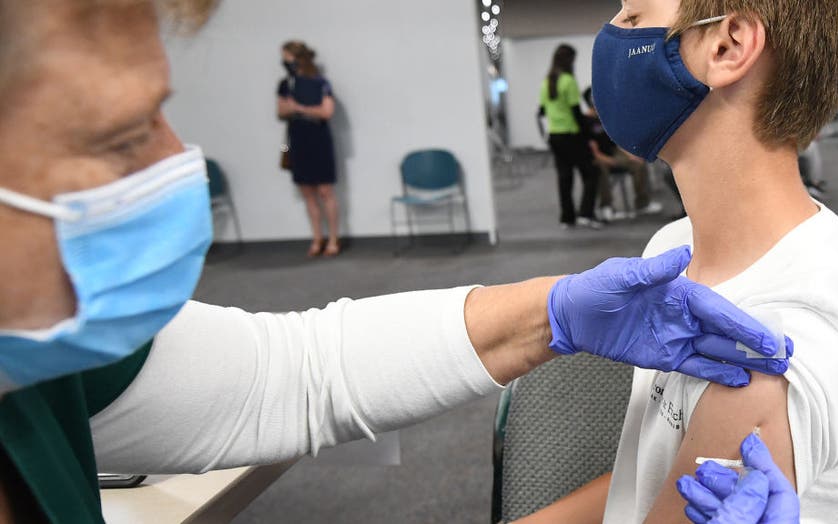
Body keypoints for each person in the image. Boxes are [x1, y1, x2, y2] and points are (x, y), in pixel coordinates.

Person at [0, 2, 794, 522]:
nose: (179, 160)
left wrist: (552, 313)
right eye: (116, 138)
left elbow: (292, 374)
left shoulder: (39, 361)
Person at [519, 0, 838, 522]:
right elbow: (647, 481)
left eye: (633, 18)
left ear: (727, 47)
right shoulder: (674, 244)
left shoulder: (764, 347)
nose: (613, 32)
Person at [277, 40, 340, 257]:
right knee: (308, 194)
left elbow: (326, 112)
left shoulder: (320, 82)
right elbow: (281, 110)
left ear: (300, 59)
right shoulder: (286, 84)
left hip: (319, 140)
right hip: (298, 140)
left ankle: (333, 239)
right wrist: (303, 110)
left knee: (325, 191)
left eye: (288, 58)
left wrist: (299, 108)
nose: (285, 63)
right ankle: (317, 239)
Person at [537, 44, 601, 230]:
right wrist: (588, 135)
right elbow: (575, 113)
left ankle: (567, 218)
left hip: (555, 137)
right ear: (569, 60)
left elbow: (541, 111)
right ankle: (586, 214)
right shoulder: (568, 81)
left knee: (564, 178)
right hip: (571, 136)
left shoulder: (546, 82)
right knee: (591, 173)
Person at [581, 86, 662, 220]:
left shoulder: (603, 117)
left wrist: (630, 155)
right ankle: (606, 207)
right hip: (598, 157)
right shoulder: (584, 122)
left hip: (613, 153)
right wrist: (611, 161)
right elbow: (592, 152)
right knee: (601, 169)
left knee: (638, 164)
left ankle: (642, 204)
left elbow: (615, 141)